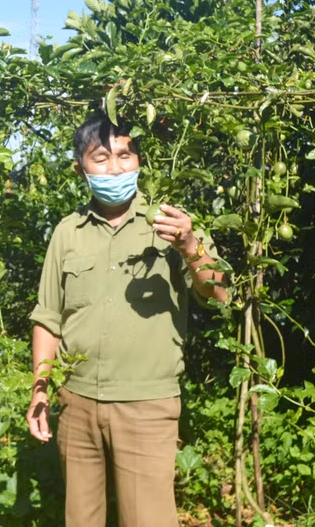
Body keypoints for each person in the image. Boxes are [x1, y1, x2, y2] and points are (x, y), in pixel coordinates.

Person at [25, 110, 227, 527]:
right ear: (82, 168)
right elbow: (48, 318)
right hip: (77, 404)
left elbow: (218, 293)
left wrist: (191, 247)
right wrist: (40, 388)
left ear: (139, 162)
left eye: (125, 156)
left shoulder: (171, 224)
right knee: (82, 520)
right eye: (102, 159)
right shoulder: (68, 231)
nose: (115, 167)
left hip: (146, 405)